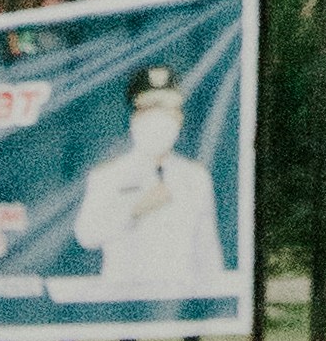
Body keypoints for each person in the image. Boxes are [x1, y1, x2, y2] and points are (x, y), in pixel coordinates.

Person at [62, 71, 231, 303]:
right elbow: (86, 235)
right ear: (134, 117)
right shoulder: (108, 175)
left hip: (179, 300)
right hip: (125, 302)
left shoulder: (195, 177)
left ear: (179, 117)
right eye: (149, 108)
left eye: (167, 108)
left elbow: (207, 248)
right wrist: (134, 209)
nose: (159, 118)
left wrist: (216, 300)